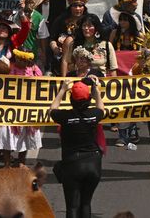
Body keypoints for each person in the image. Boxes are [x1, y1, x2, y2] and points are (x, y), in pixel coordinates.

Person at [50, 78, 105, 218]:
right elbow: (101, 108)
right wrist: (96, 91)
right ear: (89, 99)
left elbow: (52, 109)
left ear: (71, 100)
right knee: (86, 203)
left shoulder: (65, 116)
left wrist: (62, 89)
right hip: (93, 164)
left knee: (73, 206)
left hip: (72, 164)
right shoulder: (94, 114)